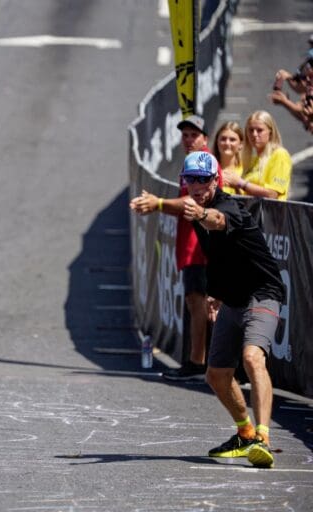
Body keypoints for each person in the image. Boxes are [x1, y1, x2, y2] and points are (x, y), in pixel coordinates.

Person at [176, 151, 284, 469]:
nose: (196, 186)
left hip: (262, 294)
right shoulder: (196, 211)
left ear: (215, 180)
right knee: (216, 375)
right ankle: (245, 434)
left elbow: (218, 222)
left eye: (203, 179)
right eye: (190, 179)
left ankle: (263, 438)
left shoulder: (228, 207)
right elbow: (220, 257)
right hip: (232, 298)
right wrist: (215, 294)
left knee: (252, 357)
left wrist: (195, 214)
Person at [135, 114, 221, 382]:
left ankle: (198, 362)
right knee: (196, 303)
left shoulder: (206, 163)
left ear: (205, 138)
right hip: (190, 244)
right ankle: (203, 361)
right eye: (184, 135)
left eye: (193, 135)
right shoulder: (191, 163)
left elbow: (191, 204)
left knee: (200, 304)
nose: (188, 140)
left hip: (200, 246)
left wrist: (158, 203)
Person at [237, 111, 292, 200]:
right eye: (251, 130)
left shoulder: (280, 155)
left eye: (259, 130)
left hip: (271, 212)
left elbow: (273, 194)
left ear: (270, 132)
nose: (254, 134)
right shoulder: (253, 160)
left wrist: (240, 183)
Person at [212, 121, 244, 195]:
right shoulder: (208, 169)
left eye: (232, 140)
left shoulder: (247, 170)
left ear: (241, 144)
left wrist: (236, 186)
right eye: (223, 139)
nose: (227, 143)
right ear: (217, 142)